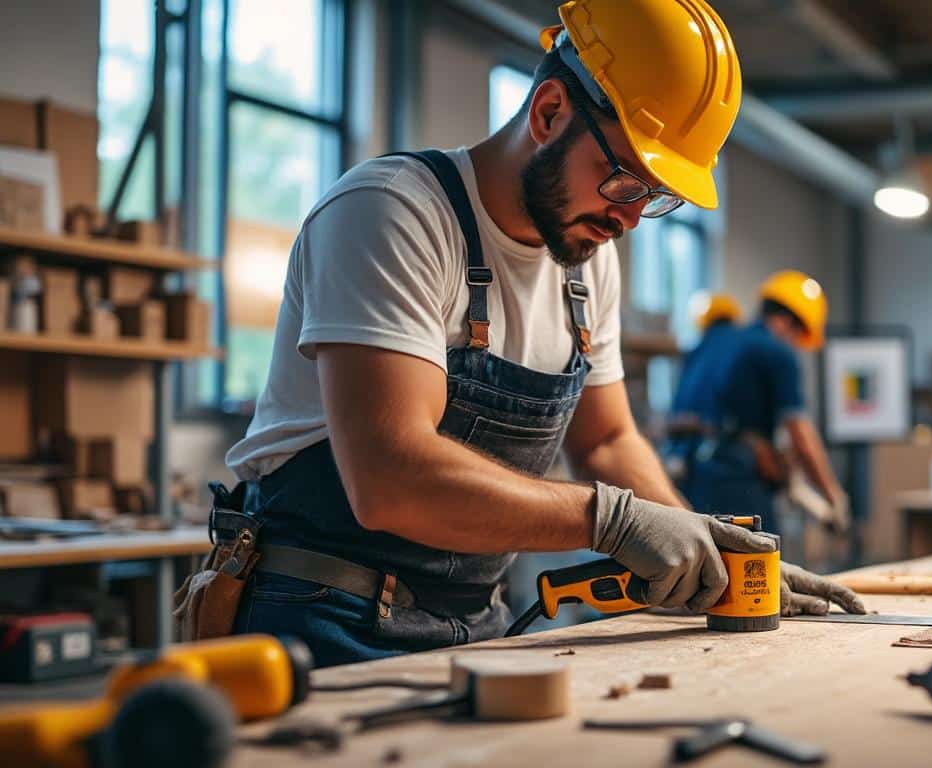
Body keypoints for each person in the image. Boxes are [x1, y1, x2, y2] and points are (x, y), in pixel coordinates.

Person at [221, 0, 862, 668]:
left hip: (474, 623)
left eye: (655, 196)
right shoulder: (393, 211)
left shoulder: (587, 263)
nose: (631, 218)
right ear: (550, 111)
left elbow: (608, 441)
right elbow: (390, 477)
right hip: (316, 625)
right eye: (623, 180)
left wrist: (705, 546)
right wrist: (612, 521)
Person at [685, 271, 849, 534]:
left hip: (692, 478)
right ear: (788, 322)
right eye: (799, 336)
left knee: (705, 566)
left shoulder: (713, 342)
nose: (796, 346)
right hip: (739, 481)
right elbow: (801, 433)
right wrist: (834, 495)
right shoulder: (777, 351)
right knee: (759, 567)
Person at [663, 292, 742, 491]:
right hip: (727, 454)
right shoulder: (742, 347)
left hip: (690, 453)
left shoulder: (695, 351)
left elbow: (682, 403)